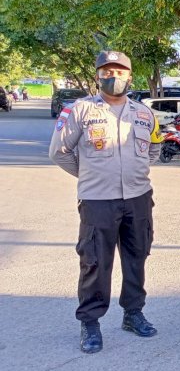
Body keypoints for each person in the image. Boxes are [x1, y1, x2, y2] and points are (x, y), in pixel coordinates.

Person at [49, 51, 163, 354]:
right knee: (95, 262)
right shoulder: (80, 110)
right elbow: (59, 152)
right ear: (98, 75)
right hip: (97, 200)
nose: (114, 77)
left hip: (138, 198)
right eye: (107, 71)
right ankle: (90, 322)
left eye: (120, 71)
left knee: (136, 256)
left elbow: (154, 149)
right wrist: (90, 176)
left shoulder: (144, 113)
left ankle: (133, 313)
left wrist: (136, 174)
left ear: (130, 77)